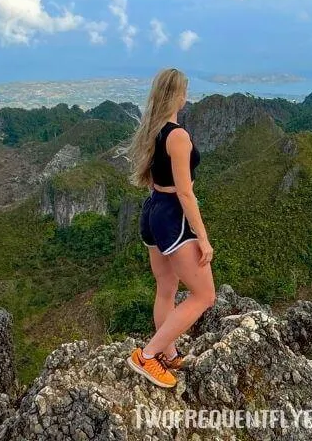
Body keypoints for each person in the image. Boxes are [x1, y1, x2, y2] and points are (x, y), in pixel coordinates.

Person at [118, 67, 216, 388]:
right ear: (180, 95)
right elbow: (186, 192)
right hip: (174, 216)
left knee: (167, 288)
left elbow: (154, 177)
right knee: (204, 295)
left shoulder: (154, 129)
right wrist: (203, 238)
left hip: (152, 210)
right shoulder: (178, 136)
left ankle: (167, 353)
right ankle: (147, 356)